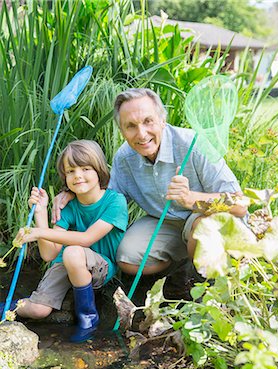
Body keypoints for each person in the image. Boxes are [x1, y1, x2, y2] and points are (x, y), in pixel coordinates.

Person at [52, 88, 247, 299]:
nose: (142, 133)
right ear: (122, 130)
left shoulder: (194, 144)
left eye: (148, 121)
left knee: (200, 228)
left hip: (206, 219)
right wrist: (74, 190)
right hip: (166, 223)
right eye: (131, 126)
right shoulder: (124, 159)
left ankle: (200, 286)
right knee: (126, 259)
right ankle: (177, 269)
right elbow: (108, 199)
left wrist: (191, 198)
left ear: (162, 120)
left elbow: (240, 203)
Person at [1, 140, 128, 342]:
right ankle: (5, 308)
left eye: (85, 168)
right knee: (38, 310)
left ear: (99, 170)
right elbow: (49, 254)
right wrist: (41, 213)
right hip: (65, 263)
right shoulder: (67, 207)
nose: (77, 175)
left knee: (73, 252)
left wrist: (39, 233)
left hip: (99, 266)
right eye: (70, 171)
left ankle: (87, 318)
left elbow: (87, 239)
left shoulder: (115, 201)